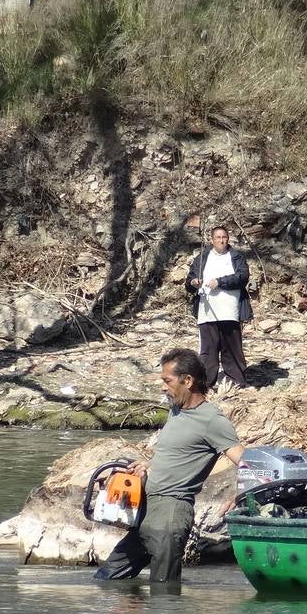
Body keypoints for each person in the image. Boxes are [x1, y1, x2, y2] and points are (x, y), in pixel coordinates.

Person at [94, 348, 245, 583]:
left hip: (170, 514)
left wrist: (241, 493)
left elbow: (246, 462)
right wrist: (148, 464)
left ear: (188, 381)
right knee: (105, 581)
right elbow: (178, 452)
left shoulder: (212, 421)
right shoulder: (176, 410)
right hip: (145, 512)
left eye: (167, 381)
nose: (163, 387)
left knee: (164, 596)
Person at [185, 225, 253, 389]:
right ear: (212, 240)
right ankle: (207, 382)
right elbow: (189, 281)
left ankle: (237, 380)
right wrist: (193, 282)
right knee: (208, 348)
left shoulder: (236, 256)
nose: (222, 240)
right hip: (207, 310)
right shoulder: (202, 258)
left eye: (224, 237)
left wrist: (220, 282)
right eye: (218, 237)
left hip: (230, 309)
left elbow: (242, 277)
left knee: (232, 346)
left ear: (228, 239)